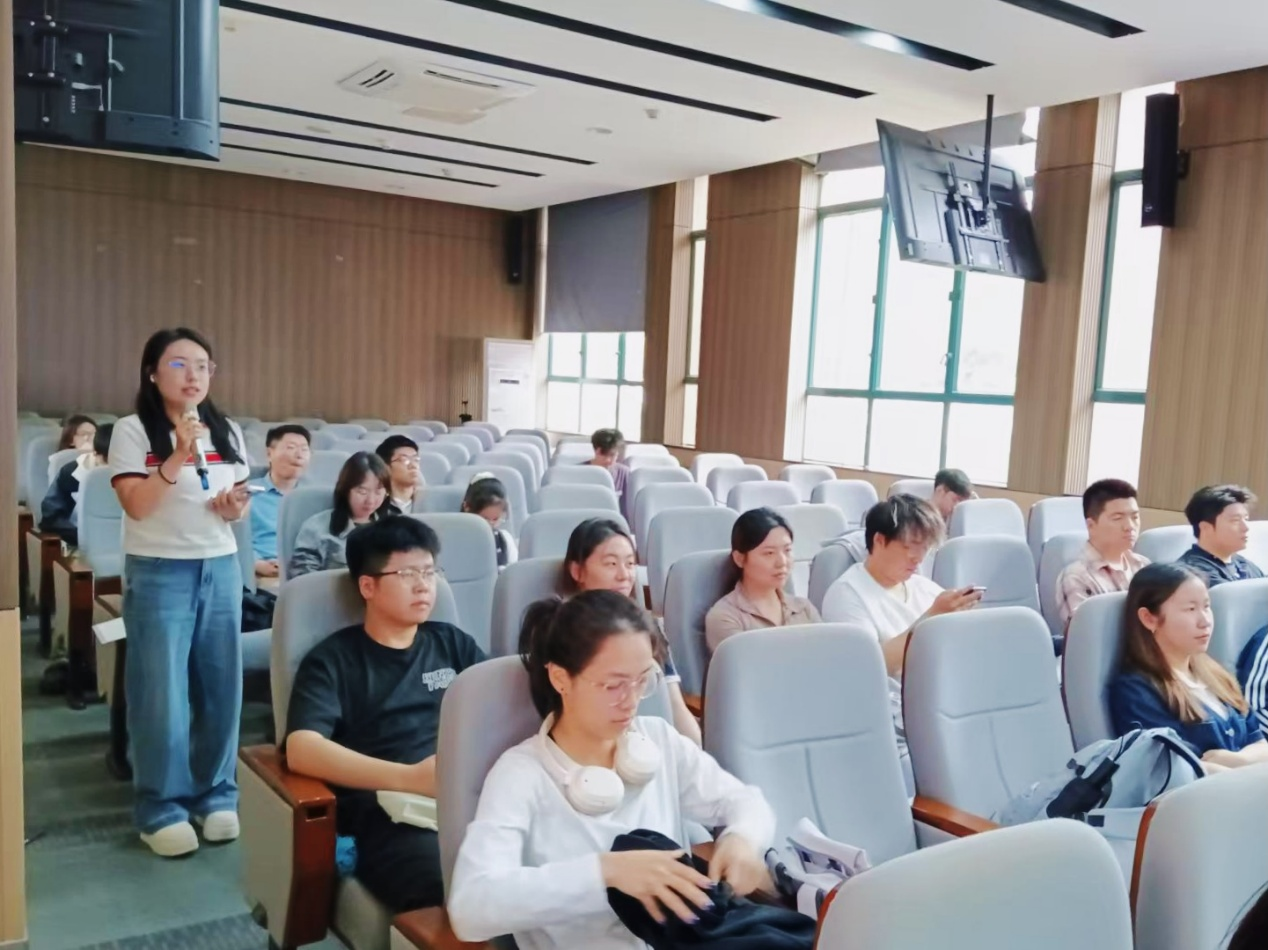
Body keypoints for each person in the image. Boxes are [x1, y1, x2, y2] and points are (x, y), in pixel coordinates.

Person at [448, 591, 775, 948]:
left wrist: (743, 838)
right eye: (613, 685)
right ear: (560, 678)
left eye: (642, 680)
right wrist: (606, 872)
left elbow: (744, 801)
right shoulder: (522, 775)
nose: (631, 701)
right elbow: (470, 908)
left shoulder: (658, 740)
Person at [286, 517, 486, 913]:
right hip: (390, 813)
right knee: (450, 886)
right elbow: (302, 749)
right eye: (407, 574)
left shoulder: (452, 643)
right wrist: (409, 778)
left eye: (429, 572)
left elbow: (497, 711)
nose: (423, 585)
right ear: (368, 586)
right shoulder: (333, 661)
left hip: (471, 795)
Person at [108, 328, 251, 857]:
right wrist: (177, 453)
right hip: (159, 570)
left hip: (220, 566)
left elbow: (234, 501)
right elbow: (138, 505)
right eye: (178, 364)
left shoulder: (226, 429)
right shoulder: (131, 431)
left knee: (221, 687)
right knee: (161, 694)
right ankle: (160, 806)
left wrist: (233, 508)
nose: (193, 375)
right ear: (152, 373)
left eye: (203, 365)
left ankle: (216, 793)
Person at [1109, 563, 1268, 770]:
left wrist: (1240, 760)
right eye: (1191, 609)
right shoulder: (1136, 690)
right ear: (1149, 619)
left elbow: (1261, 744)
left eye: (1207, 607)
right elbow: (1179, 768)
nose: (1205, 621)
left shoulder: (1216, 675)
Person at [562, 518, 701, 746]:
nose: (624, 575)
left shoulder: (647, 627)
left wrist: (694, 753)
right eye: (611, 564)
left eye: (629, 563)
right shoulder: (560, 632)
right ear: (577, 571)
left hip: (654, 747)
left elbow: (675, 707)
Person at [821, 495, 981, 677]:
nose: (919, 558)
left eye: (925, 547)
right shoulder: (846, 594)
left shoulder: (924, 588)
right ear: (879, 540)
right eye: (910, 547)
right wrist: (932, 617)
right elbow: (865, 666)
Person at [704, 507, 820, 652]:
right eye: (769, 553)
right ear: (739, 559)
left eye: (787, 550)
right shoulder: (725, 617)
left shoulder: (804, 608)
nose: (782, 562)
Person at [1056, 479, 1150, 635]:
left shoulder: (1143, 566)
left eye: (1135, 517)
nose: (1130, 526)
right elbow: (1086, 637)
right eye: (1118, 518)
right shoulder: (1075, 577)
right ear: (1091, 526)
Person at [289, 452, 395, 578]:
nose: (371, 500)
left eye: (378, 492)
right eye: (362, 491)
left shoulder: (393, 529)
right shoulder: (317, 528)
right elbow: (302, 579)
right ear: (345, 490)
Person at [248, 424, 311, 581]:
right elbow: (233, 537)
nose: (299, 455)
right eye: (291, 448)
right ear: (269, 454)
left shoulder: (312, 497)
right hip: (259, 572)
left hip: (303, 572)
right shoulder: (247, 493)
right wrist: (255, 563)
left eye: (304, 449)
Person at [40, 422, 113, 548]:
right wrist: (83, 536)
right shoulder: (71, 473)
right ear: (95, 453)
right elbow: (51, 518)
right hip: (77, 542)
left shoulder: (137, 472)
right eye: (107, 460)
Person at [1177, 485, 1264, 587]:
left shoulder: (1245, 565)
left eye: (1246, 519)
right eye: (1235, 520)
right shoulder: (1193, 574)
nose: (1246, 527)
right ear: (1205, 528)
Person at [461, 472, 518, 570]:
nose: (491, 525)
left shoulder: (504, 540)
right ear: (467, 508)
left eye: (496, 519)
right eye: (485, 519)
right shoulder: (457, 540)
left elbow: (513, 572)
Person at [587, 428, 631, 517]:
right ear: (595, 451)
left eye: (612, 455)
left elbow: (626, 510)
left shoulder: (624, 473)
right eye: (603, 454)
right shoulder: (579, 472)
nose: (608, 460)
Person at [376, 434, 424, 513]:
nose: (413, 465)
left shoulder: (431, 502)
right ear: (386, 467)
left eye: (416, 459)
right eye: (404, 460)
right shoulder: (374, 506)